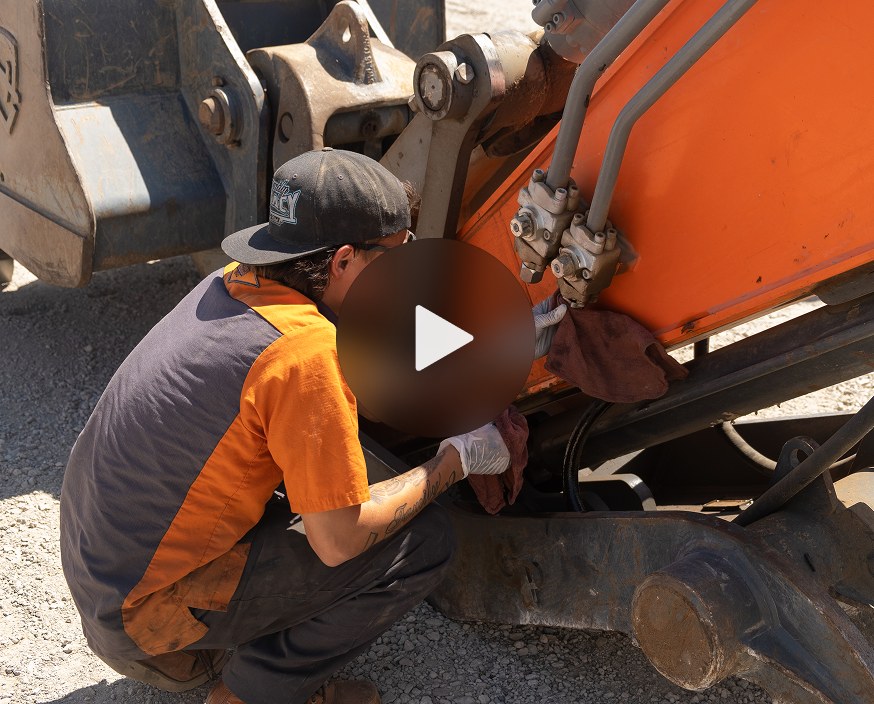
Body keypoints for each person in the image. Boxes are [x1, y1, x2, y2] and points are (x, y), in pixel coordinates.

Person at [60, 148, 566, 704]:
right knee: (421, 541)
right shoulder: (302, 356)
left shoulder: (239, 283)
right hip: (147, 624)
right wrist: (456, 461)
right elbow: (338, 541)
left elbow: (360, 374)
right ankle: (249, 692)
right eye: (395, 256)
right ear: (345, 260)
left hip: (104, 573)